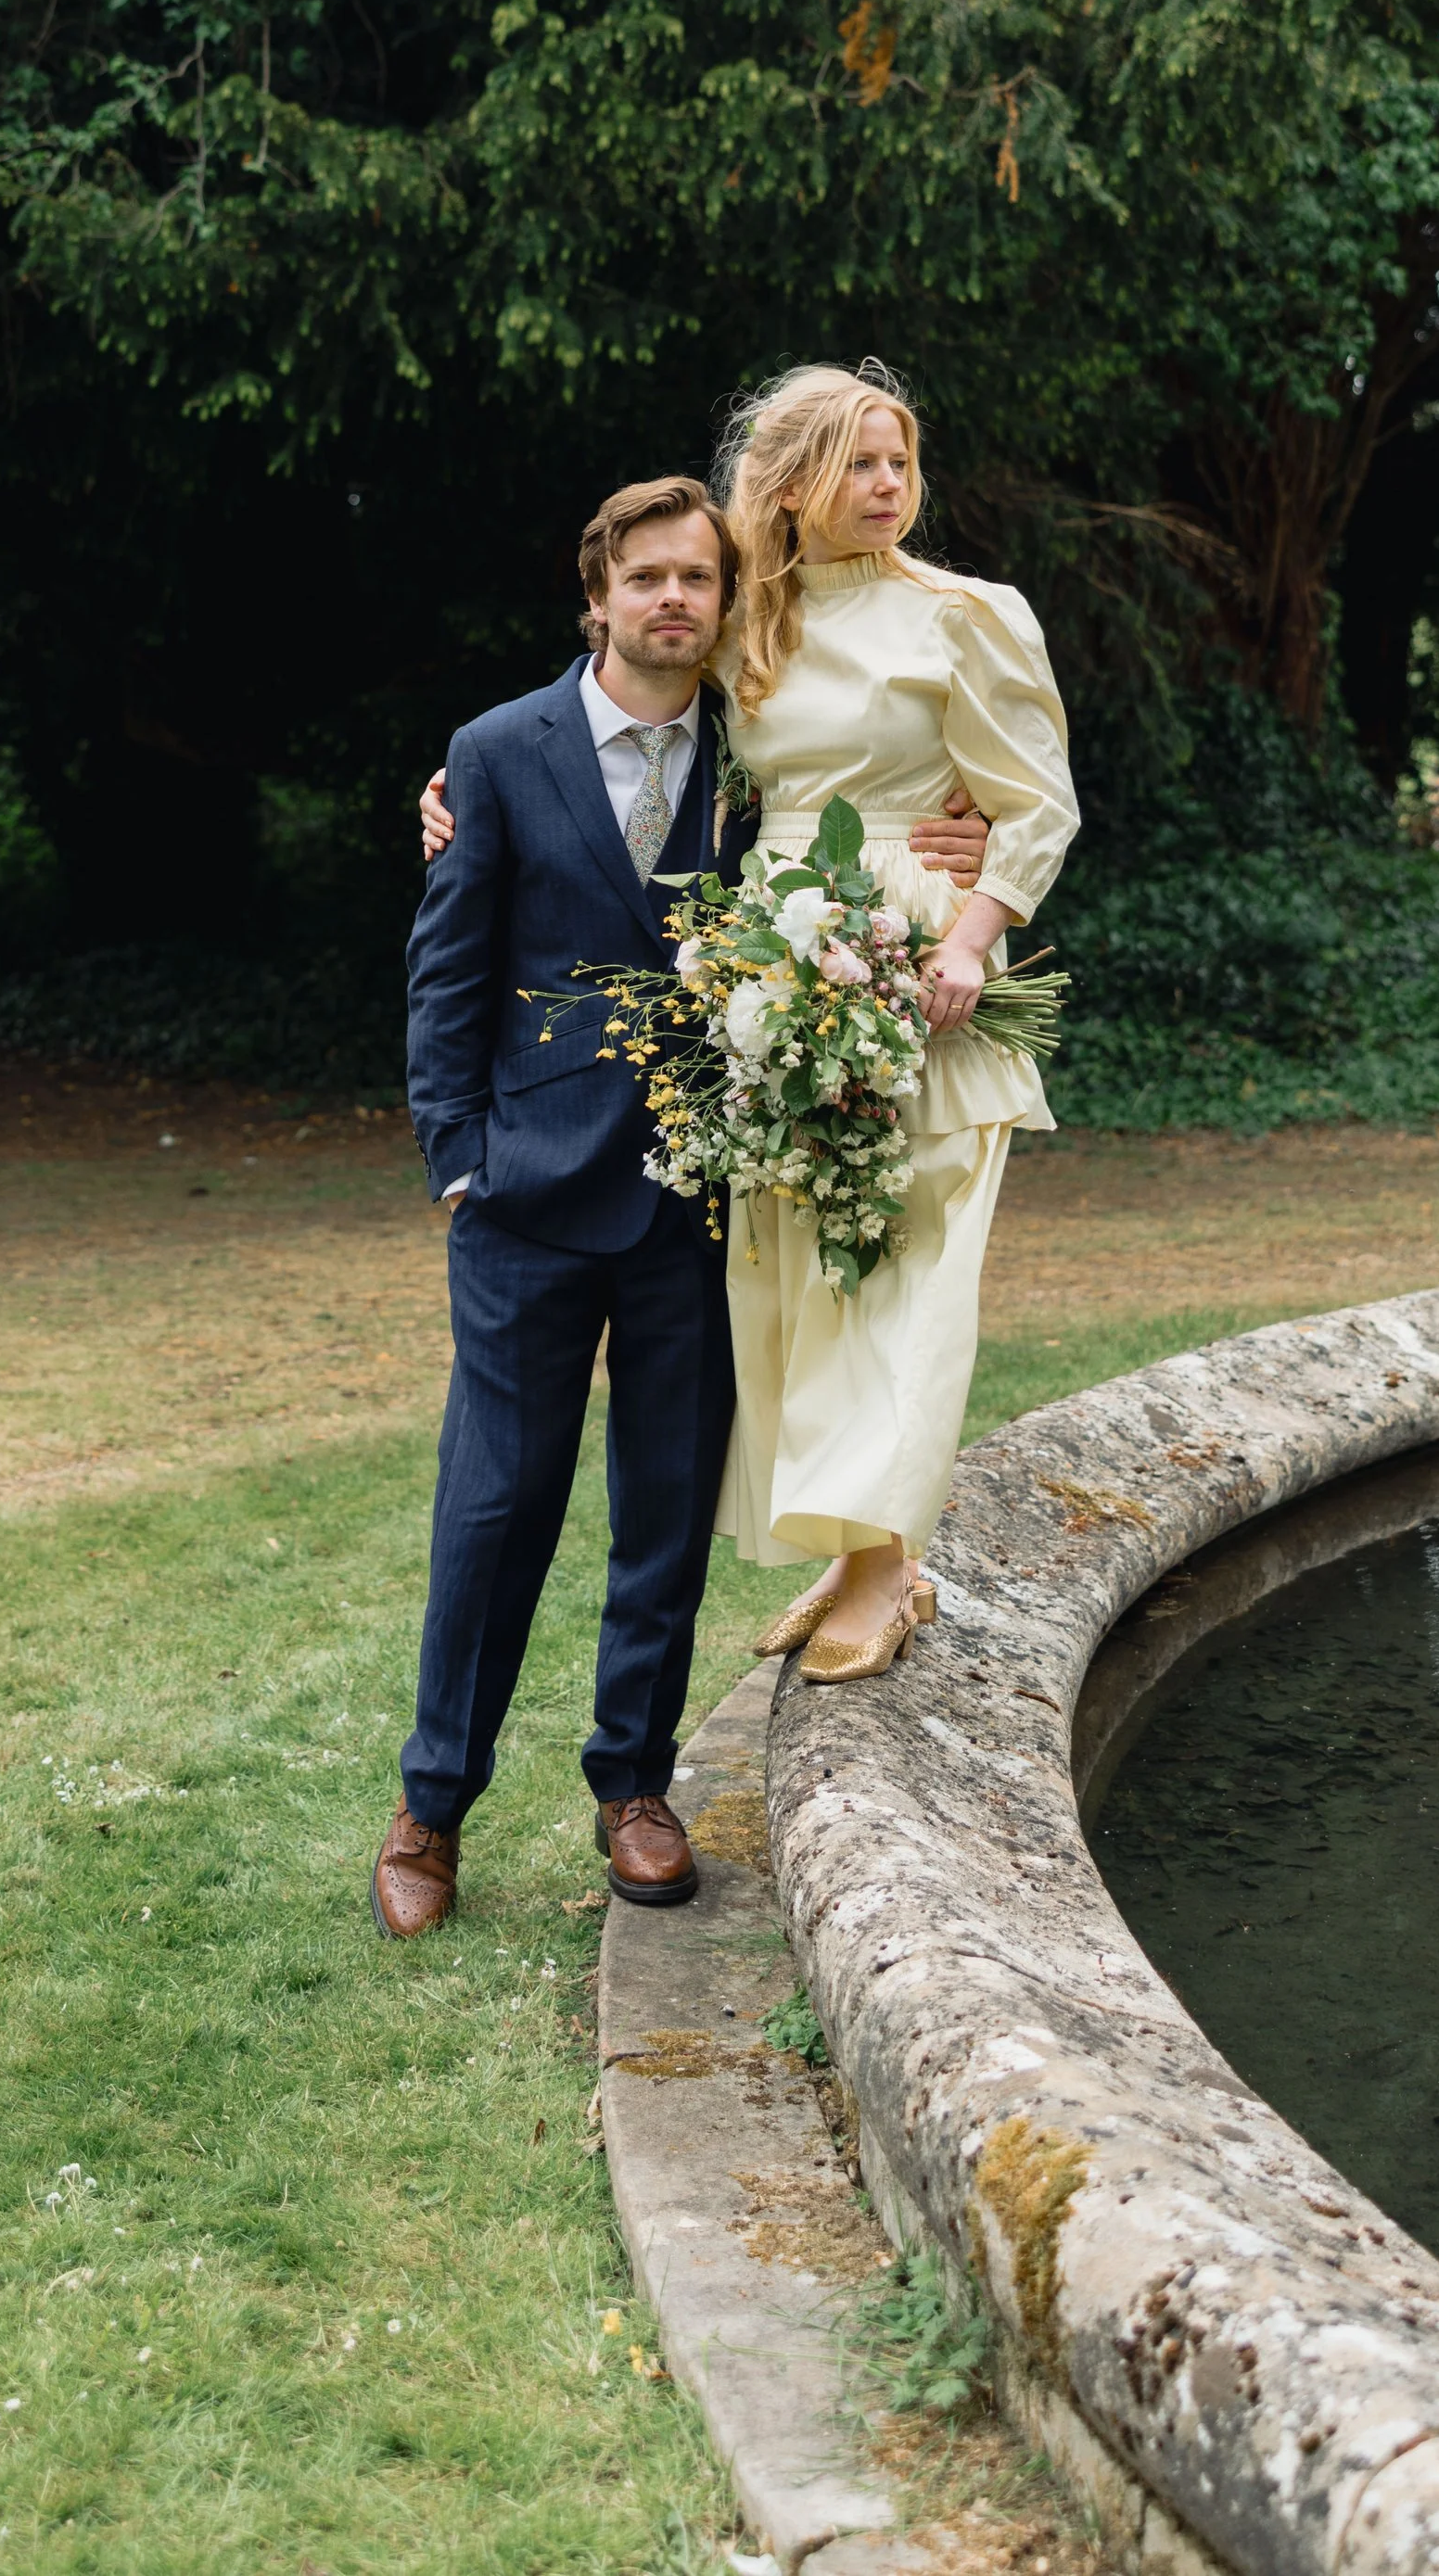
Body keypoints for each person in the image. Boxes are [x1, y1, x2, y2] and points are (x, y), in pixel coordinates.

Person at [382, 473, 990, 1939]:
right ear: (596, 595)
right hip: (524, 1199)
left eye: (698, 582)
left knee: (662, 1510)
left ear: (727, 605)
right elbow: (447, 970)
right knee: (496, 1507)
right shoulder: (496, 752)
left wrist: (955, 847)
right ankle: (431, 1807)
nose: (672, 601)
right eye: (645, 578)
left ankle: (634, 1789)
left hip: (698, 1197)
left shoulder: (755, 756)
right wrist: (456, 1160)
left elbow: (878, 825)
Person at [711, 365, 1077, 1681]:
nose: (888, 486)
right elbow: (628, 729)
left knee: (910, 1254)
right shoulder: (750, 618)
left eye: (900, 461)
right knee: (807, 1264)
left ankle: (888, 1567)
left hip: (922, 957)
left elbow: (1037, 801)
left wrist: (974, 936)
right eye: (860, 463)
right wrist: (455, 784)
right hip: (780, 953)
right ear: (791, 478)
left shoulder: (968, 615)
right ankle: (864, 1547)